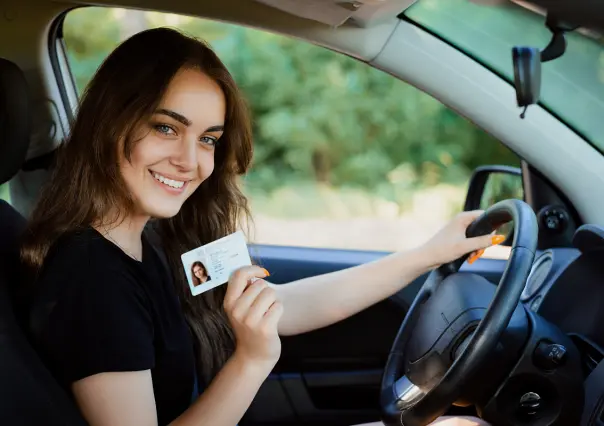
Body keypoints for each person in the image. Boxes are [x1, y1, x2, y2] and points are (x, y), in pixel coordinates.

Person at [21, 28, 501, 426]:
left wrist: (425, 255)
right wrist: (251, 360)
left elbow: (281, 306)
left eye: (208, 138)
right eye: (166, 127)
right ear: (110, 123)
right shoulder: (91, 276)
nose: (190, 160)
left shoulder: (154, 238)